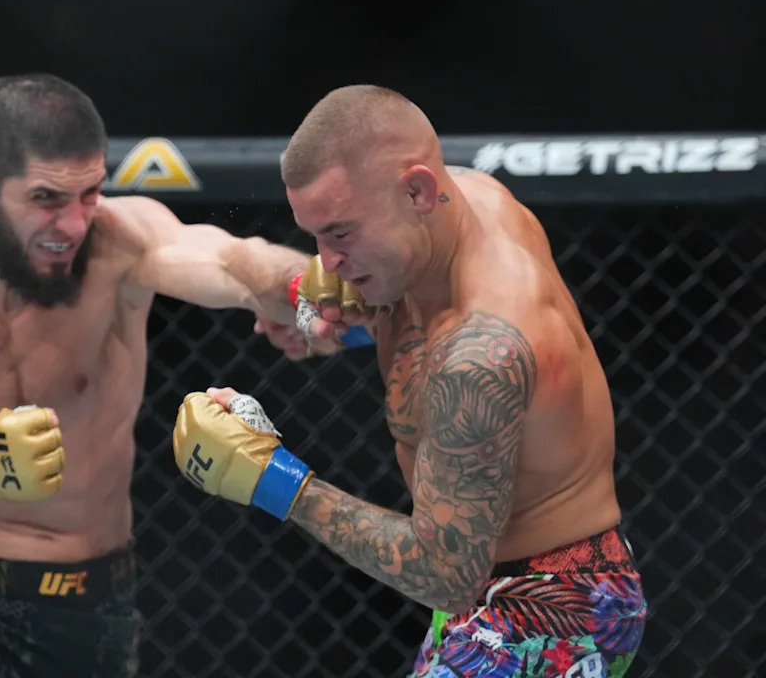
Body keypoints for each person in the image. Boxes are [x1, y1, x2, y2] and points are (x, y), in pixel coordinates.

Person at [0, 73, 330, 677]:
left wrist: (306, 292)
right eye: (46, 198)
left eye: (89, 192)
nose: (75, 224)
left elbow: (232, 262)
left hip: (98, 604)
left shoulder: (119, 243)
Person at [171, 85, 648, 677]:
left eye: (340, 233)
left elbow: (443, 574)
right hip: (497, 589)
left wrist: (269, 476)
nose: (328, 259)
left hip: (548, 609)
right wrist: (337, 317)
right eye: (316, 236)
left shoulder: (479, 357)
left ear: (418, 192)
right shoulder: (466, 202)